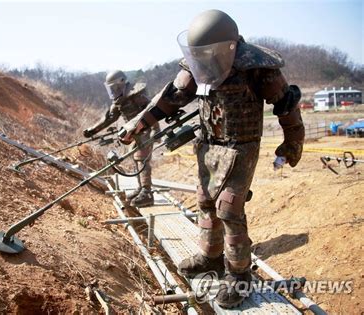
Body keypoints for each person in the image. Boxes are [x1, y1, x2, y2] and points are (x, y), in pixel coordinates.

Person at [119, 10, 304, 308]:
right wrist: (138, 123)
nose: (206, 59)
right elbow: (172, 97)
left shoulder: (257, 66)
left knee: (229, 208)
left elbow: (286, 104)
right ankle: (211, 257)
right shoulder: (197, 65)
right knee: (205, 201)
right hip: (208, 144)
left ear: (229, 46)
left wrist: (292, 142)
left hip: (241, 146)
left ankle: (239, 274)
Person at [83, 70, 159, 207]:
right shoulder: (119, 101)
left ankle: (147, 193)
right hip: (134, 131)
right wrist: (93, 130)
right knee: (136, 159)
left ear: (122, 84)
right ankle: (141, 188)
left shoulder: (136, 95)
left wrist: (155, 131)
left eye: (116, 87)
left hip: (146, 129)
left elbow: (153, 110)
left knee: (142, 159)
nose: (113, 91)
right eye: (111, 88)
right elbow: (109, 118)